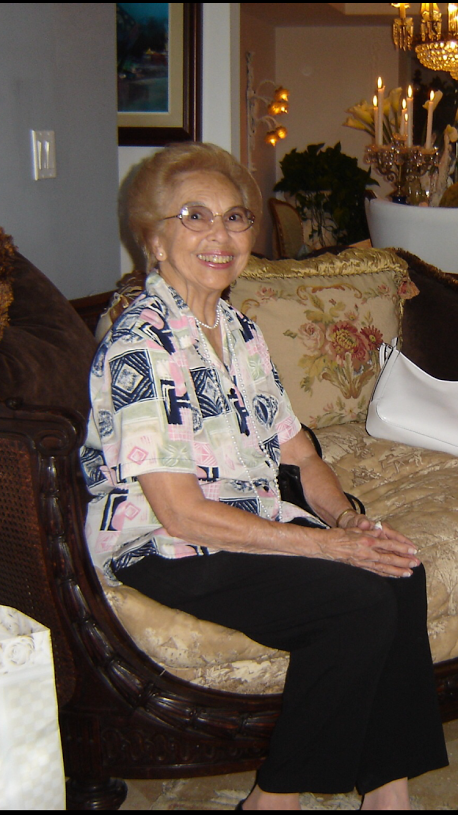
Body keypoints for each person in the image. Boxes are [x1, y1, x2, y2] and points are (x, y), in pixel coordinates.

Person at [81, 142, 448, 811]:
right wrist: (331, 549)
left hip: (245, 516)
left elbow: (300, 455)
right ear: (154, 241)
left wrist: (347, 520)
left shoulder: (240, 332)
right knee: (356, 601)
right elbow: (181, 513)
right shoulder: (142, 346)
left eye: (236, 217)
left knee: (399, 569)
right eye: (194, 216)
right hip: (163, 543)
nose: (220, 235)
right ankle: (273, 798)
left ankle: (387, 792)